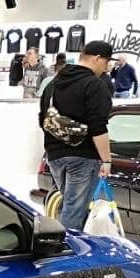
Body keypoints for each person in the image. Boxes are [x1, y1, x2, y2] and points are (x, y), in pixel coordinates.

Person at [40, 41, 115, 232]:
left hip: (54, 155)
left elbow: (43, 119)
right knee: (74, 211)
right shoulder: (94, 85)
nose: (106, 68)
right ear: (97, 58)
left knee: (69, 205)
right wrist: (106, 160)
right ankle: (67, 247)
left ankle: (64, 241)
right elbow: (98, 126)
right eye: (106, 62)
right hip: (83, 156)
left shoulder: (53, 83)